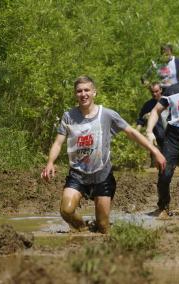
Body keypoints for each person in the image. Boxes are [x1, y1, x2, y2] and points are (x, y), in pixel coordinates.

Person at [41, 76, 166, 234]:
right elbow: (58, 142)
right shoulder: (69, 116)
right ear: (75, 94)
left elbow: (132, 132)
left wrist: (155, 151)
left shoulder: (107, 114)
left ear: (94, 92)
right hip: (77, 173)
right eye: (79, 91)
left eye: (87, 90)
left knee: (103, 226)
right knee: (66, 211)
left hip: (102, 174)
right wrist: (50, 162)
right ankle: (82, 229)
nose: (83, 94)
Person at [146, 58, 179, 216]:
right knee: (165, 174)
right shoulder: (171, 90)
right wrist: (149, 131)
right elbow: (156, 111)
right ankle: (163, 206)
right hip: (173, 138)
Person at [136, 82, 168, 166]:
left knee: (170, 163)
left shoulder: (168, 101)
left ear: (161, 90)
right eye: (152, 92)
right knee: (155, 164)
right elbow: (141, 120)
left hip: (169, 138)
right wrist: (136, 133)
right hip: (155, 139)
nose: (154, 94)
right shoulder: (148, 105)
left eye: (156, 91)